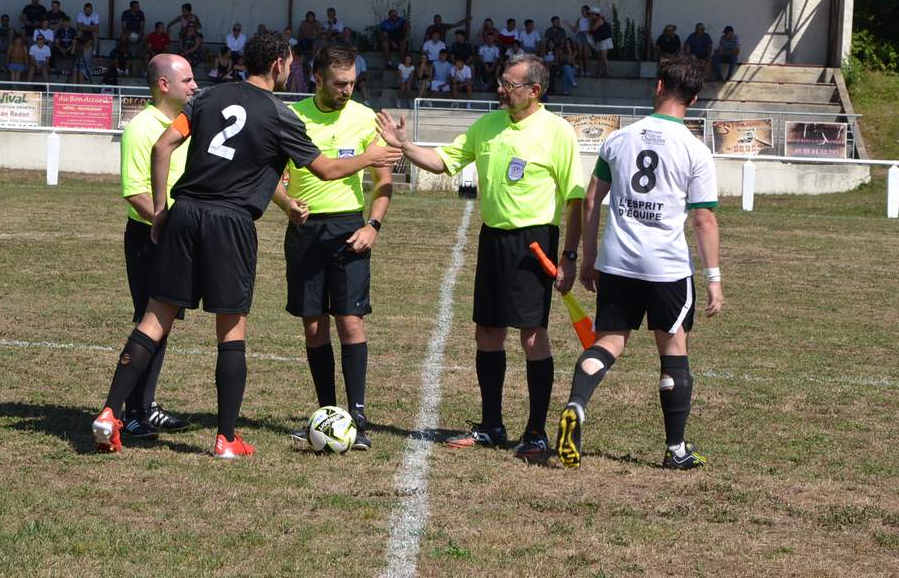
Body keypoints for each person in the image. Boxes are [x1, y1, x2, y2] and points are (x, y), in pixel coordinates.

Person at [90, 32, 400, 457]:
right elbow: (326, 170)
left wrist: (161, 211)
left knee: (153, 318)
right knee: (231, 329)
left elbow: (164, 146)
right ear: (277, 64)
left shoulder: (207, 97)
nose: (291, 68)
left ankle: (109, 413)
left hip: (185, 212)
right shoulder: (280, 115)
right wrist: (371, 158)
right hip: (230, 222)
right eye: (289, 61)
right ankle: (226, 438)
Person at [375, 53, 585, 460]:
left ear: (534, 91)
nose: (500, 89)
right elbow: (442, 162)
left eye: (510, 84)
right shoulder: (487, 125)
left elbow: (575, 200)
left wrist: (571, 255)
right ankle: (491, 426)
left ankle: (536, 432)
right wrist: (404, 145)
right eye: (501, 81)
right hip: (493, 240)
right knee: (487, 333)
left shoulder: (557, 132)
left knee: (532, 335)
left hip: (534, 243)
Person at [557, 57, 723, 470]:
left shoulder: (619, 139)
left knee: (609, 340)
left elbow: (593, 199)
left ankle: (577, 403)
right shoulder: (696, 150)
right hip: (666, 267)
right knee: (673, 347)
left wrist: (590, 256)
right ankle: (676, 450)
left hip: (618, 262)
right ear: (696, 98)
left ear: (659, 85)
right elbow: (703, 218)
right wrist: (714, 279)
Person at [273, 45, 394, 452]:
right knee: (313, 324)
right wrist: (288, 204)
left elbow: (383, 182)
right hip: (305, 233)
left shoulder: (365, 119)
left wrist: (373, 226)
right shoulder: (292, 117)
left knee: (351, 321)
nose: (347, 90)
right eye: (340, 83)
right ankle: (327, 413)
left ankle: (358, 419)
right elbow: (270, 174)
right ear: (317, 78)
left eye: (353, 83)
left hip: (349, 229)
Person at [98, 54, 200, 442]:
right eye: (187, 80)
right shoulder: (143, 128)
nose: (194, 86)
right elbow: (135, 192)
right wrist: (167, 224)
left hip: (175, 237)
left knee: (162, 324)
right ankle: (134, 413)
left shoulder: (183, 125)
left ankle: (144, 407)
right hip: (149, 238)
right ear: (164, 85)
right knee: (150, 323)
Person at [589, 7, 613, 79]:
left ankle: (607, 73)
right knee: (599, 58)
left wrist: (590, 23)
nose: (590, 15)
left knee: (603, 57)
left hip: (604, 40)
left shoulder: (599, 19)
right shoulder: (595, 20)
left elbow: (593, 29)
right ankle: (599, 72)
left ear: (595, 14)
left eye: (591, 14)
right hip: (600, 40)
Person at [569, 5, 592, 76]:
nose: (582, 12)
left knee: (586, 55)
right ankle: (581, 71)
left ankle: (587, 71)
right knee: (580, 55)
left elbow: (592, 28)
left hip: (586, 36)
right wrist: (569, 25)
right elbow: (575, 30)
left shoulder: (590, 19)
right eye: (581, 11)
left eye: (584, 11)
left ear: (587, 11)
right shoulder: (579, 19)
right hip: (580, 35)